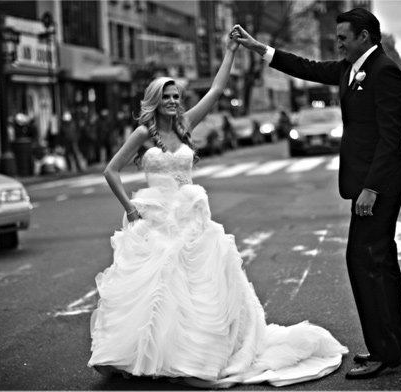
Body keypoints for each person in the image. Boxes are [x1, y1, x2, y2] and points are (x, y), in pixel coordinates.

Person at [87, 33, 348, 388]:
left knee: (195, 290)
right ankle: (143, 355)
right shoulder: (143, 133)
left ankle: (191, 355)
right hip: (155, 220)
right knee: (156, 290)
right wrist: (130, 210)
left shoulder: (186, 125)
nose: (173, 101)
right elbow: (110, 170)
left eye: (176, 96)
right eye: (166, 97)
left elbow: (215, 90)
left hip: (191, 221)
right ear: (154, 100)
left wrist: (230, 52)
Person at [231, 7, 401, 380]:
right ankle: (396, 346)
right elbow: (307, 67)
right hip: (369, 183)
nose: (338, 42)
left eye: (344, 36)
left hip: (380, 184)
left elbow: (392, 139)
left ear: (365, 36)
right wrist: (257, 47)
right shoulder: (350, 68)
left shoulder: (385, 71)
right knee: (381, 261)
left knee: (363, 261)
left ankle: (384, 352)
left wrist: (371, 189)